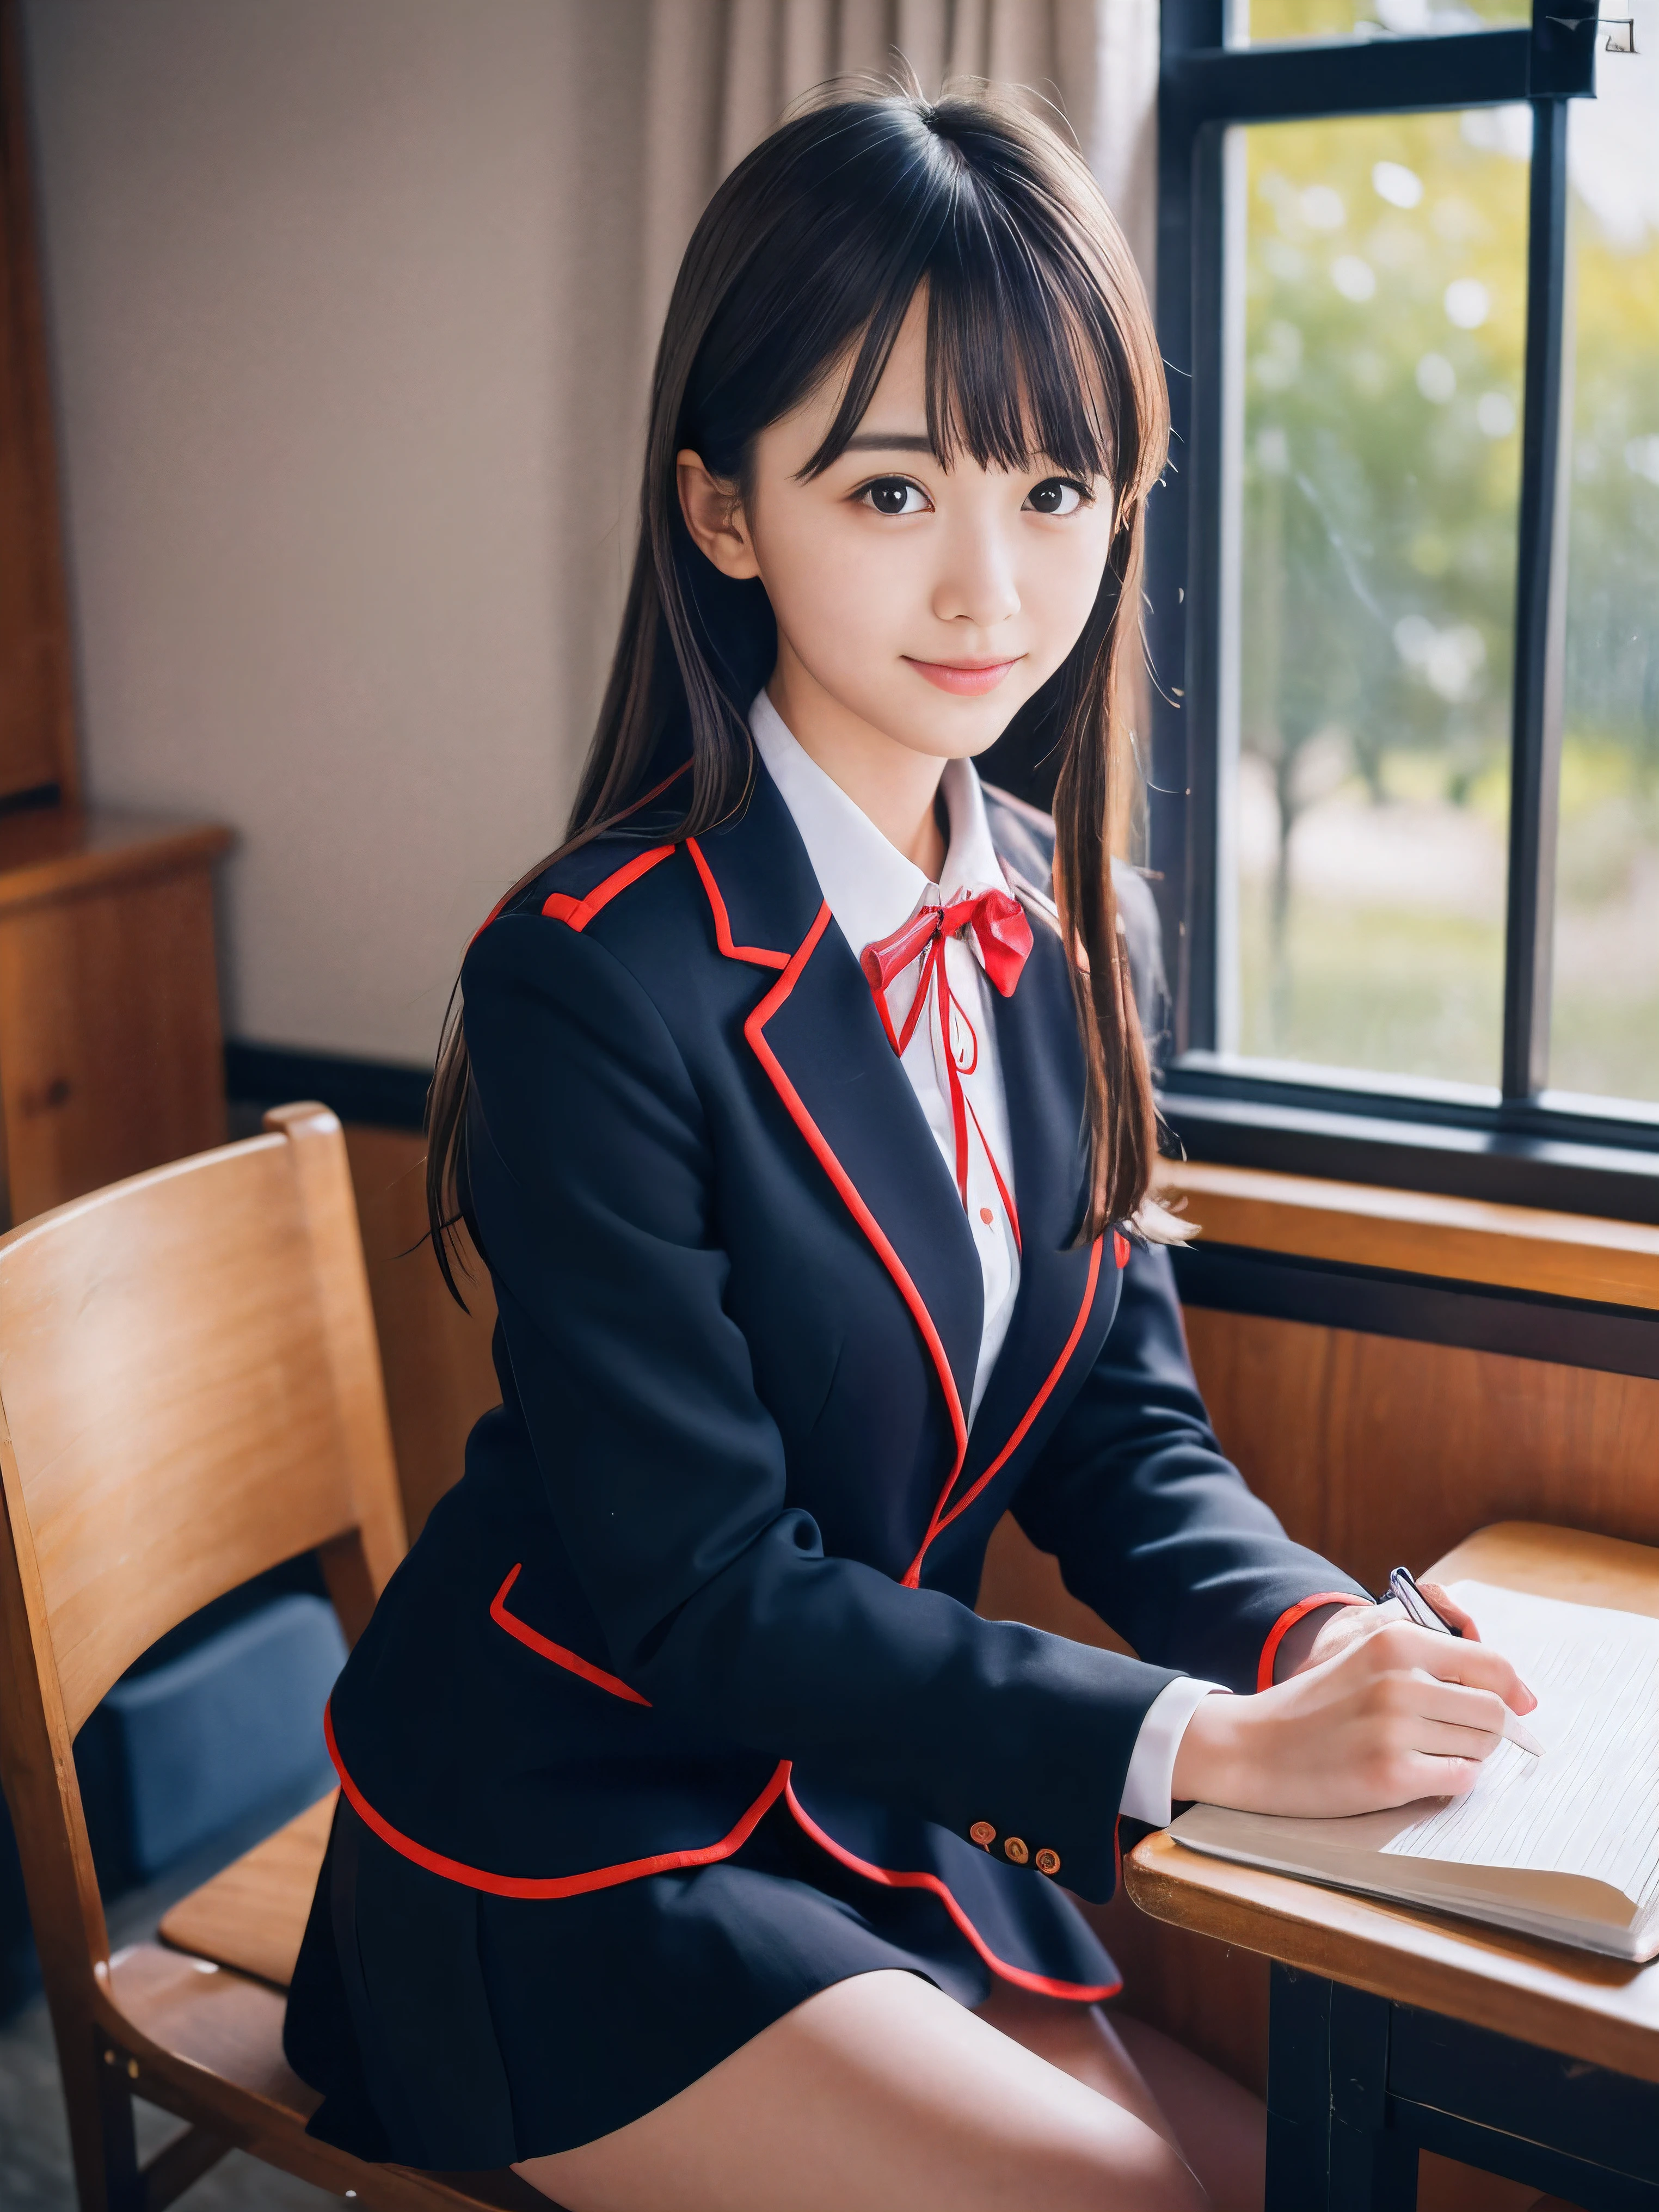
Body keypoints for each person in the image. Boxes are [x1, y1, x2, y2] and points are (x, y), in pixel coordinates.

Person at [283, 85, 1537, 2212]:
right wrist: (1201, 1745)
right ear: (726, 509)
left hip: (870, 1790)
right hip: (563, 1835)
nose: (993, 580)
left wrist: (1319, 1644)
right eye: (891, 487)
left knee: (1327, 2174)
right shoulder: (587, 973)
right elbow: (708, 1592)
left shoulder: (1072, 915)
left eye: (1056, 486)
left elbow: (1124, 1439)